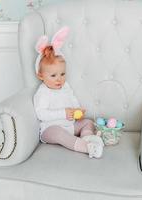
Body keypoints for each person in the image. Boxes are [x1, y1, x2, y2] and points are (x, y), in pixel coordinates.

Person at [33, 27, 104, 158]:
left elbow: (72, 99)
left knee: (88, 122)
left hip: (69, 126)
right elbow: (41, 114)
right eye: (53, 75)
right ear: (41, 75)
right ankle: (86, 148)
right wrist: (63, 113)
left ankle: (88, 139)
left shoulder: (65, 86)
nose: (59, 79)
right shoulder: (43, 92)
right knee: (59, 134)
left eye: (62, 74)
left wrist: (77, 111)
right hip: (50, 129)